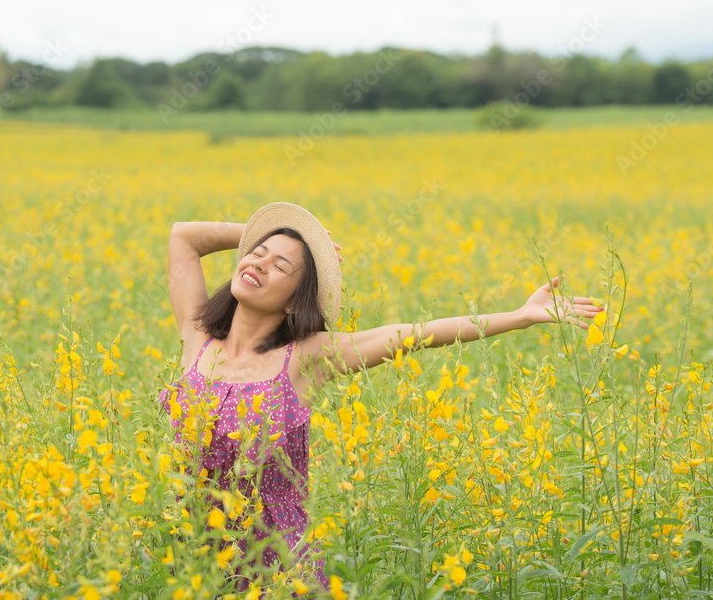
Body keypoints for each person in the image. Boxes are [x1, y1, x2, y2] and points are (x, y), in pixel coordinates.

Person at [159, 201, 603, 594]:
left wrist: (519, 316)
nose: (257, 264)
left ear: (296, 302)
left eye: (280, 268)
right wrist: (271, 233)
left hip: (275, 574)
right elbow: (184, 236)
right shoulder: (197, 339)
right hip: (193, 563)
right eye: (256, 255)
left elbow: (412, 334)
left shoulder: (306, 358)